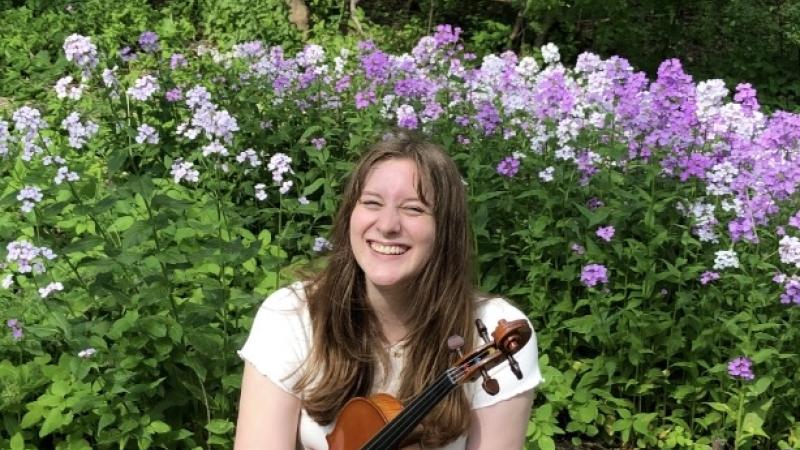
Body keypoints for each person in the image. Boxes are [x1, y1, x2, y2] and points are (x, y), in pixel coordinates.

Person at [235, 130, 542, 449]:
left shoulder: (492, 330)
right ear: (350, 216)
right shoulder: (291, 316)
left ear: (445, 229)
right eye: (371, 203)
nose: (387, 225)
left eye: (414, 209)